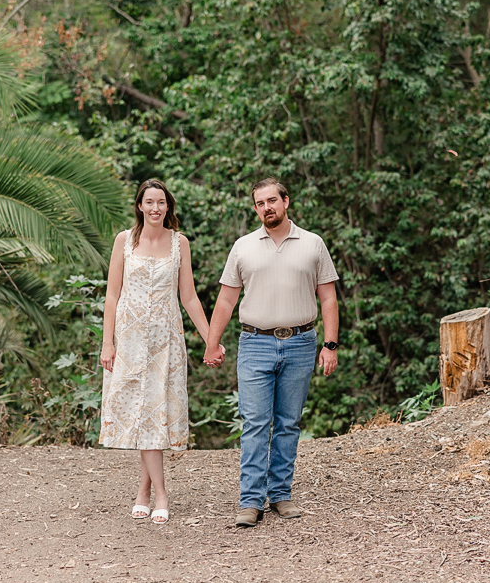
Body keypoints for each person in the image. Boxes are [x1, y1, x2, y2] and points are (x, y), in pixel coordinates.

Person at [203, 177, 339, 528]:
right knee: (255, 424)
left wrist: (330, 344)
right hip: (255, 343)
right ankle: (250, 501)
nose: (267, 207)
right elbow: (227, 298)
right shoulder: (243, 247)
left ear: (286, 201)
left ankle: (280, 495)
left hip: (300, 342)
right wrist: (211, 342)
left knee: (288, 423)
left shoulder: (313, 244)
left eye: (272, 201)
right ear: (255, 208)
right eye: (260, 203)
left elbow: (328, 297)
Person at [99, 178, 224, 525]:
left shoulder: (179, 243)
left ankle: (146, 491)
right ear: (139, 205)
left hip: (166, 342)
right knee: (142, 416)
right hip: (129, 340)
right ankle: (159, 492)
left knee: (154, 415)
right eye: (149, 202)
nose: (155, 208)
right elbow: (112, 294)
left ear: (168, 207)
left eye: (161, 202)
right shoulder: (125, 241)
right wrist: (108, 342)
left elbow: (189, 297)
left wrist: (210, 340)